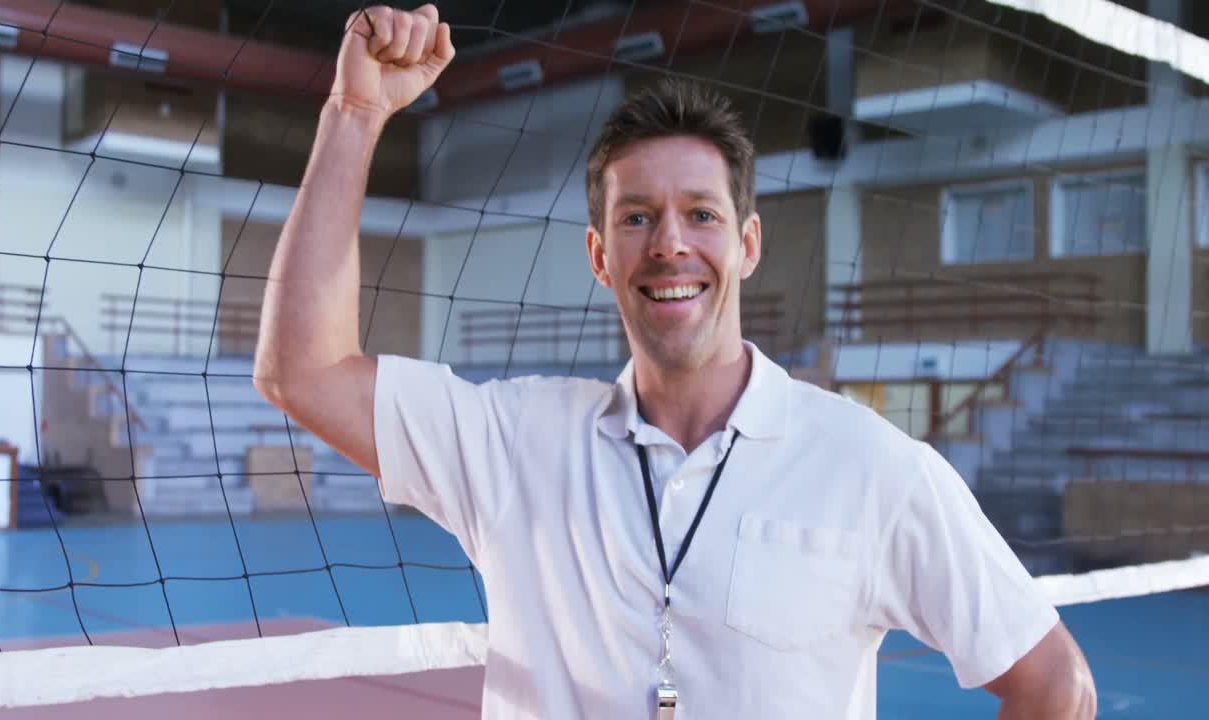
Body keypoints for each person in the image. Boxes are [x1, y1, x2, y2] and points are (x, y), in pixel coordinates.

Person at [253, 4, 1097, 718]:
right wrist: (354, 117)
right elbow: (303, 370)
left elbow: (1054, 683)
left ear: (748, 244)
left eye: (700, 214)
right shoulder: (513, 444)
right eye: (635, 219)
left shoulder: (871, 466)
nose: (669, 245)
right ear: (597, 254)